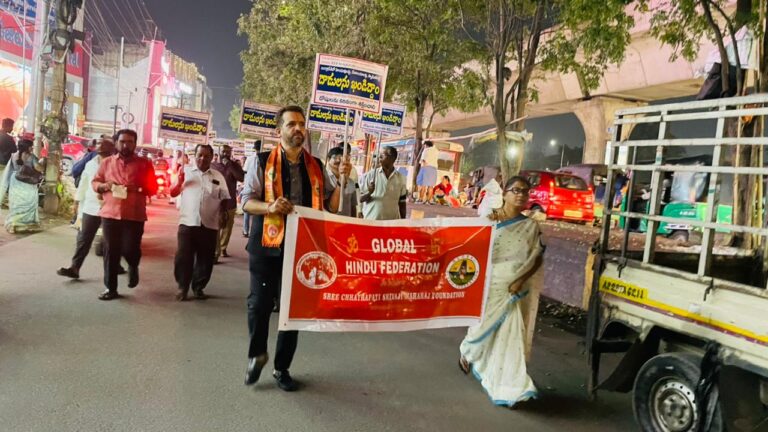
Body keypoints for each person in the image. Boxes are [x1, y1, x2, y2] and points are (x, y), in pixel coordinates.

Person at [241, 105, 349, 391]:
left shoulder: (316, 166)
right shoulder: (261, 161)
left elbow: (332, 207)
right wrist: (270, 206)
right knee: (259, 305)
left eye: (302, 124)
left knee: (292, 311)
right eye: (291, 124)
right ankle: (257, 355)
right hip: (265, 245)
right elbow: (246, 202)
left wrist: (340, 181)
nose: (298, 129)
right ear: (279, 131)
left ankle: (281, 367)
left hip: (303, 249)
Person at [458, 176, 545, 408]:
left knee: (509, 336)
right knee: (482, 326)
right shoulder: (489, 219)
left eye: (525, 192)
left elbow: (536, 258)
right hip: (489, 284)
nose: (520, 195)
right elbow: (470, 248)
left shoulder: (531, 226)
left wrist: (521, 280)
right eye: (515, 190)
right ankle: (469, 351)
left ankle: (512, 385)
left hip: (514, 288)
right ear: (504, 194)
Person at [91, 129, 157, 301]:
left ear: (135, 144)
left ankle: (133, 266)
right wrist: (105, 186)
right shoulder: (107, 163)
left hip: (134, 215)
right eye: (122, 141)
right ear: (116, 143)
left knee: (130, 249)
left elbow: (154, 188)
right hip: (110, 214)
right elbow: (95, 181)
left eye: (129, 141)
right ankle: (110, 288)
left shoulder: (144, 164)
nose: (125, 145)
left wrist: (139, 188)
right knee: (110, 252)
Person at [57, 138, 125, 279]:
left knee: (110, 241)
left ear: (112, 148)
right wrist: (77, 201)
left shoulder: (118, 164)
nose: (100, 146)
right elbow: (83, 183)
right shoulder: (90, 164)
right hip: (90, 206)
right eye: (98, 144)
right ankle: (74, 268)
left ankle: (115, 267)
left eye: (103, 144)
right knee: (84, 238)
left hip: (110, 207)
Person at [170, 144, 230, 301]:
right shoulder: (185, 171)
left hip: (209, 224)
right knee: (183, 257)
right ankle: (182, 287)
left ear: (212, 157)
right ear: (194, 156)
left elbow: (224, 197)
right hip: (187, 222)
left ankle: (198, 287)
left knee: (205, 258)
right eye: (200, 155)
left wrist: (223, 213)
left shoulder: (218, 176)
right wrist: (179, 182)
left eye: (206, 156)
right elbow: (173, 192)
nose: (203, 158)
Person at [0, 138, 43, 233]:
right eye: (31, 146)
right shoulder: (31, 157)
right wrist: (42, 163)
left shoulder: (13, 156)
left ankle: (13, 224)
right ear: (27, 147)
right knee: (28, 204)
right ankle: (25, 225)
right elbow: (39, 168)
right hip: (27, 183)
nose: (32, 148)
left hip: (15, 181)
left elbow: (10, 170)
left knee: (16, 204)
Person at [211, 144, 244, 261]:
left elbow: (241, 178)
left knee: (227, 228)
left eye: (228, 152)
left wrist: (231, 166)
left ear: (231, 153)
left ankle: (223, 247)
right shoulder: (213, 166)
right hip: (215, 202)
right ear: (219, 152)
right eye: (223, 151)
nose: (225, 154)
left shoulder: (235, 165)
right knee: (215, 228)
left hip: (230, 203)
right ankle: (215, 252)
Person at [360, 146, 407, 220]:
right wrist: (369, 192)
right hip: (371, 220)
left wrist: (403, 222)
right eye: (379, 155)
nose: (379, 157)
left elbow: (402, 202)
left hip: (391, 222)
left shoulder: (401, 178)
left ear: (392, 158)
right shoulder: (370, 175)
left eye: (383, 155)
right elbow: (360, 199)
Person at [324, 146, 357, 217]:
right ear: (328, 159)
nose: (339, 160)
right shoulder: (324, 178)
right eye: (335, 157)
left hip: (346, 223)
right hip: (329, 222)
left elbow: (353, 206)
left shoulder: (351, 182)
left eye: (341, 158)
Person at [242, 140, 261, 237]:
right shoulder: (264, 158)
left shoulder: (249, 159)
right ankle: (252, 232)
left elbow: (244, 171)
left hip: (250, 187)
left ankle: (246, 231)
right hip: (258, 189)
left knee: (247, 211)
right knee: (256, 210)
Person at [0, 118, 17, 207]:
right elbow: (15, 150)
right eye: (12, 126)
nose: (12, 129)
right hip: (3, 164)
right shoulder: (8, 138)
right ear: (7, 126)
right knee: (2, 183)